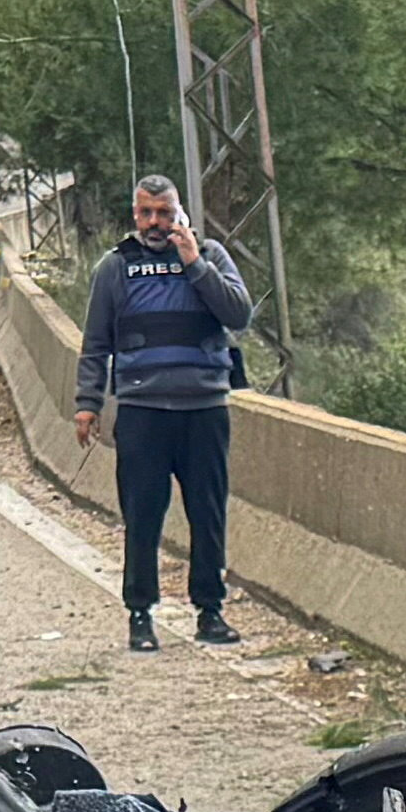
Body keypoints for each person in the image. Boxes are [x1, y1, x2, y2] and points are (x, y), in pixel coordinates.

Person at [82, 169, 253, 652]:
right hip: (142, 412)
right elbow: (95, 344)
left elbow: (240, 314)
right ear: (135, 214)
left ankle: (210, 611)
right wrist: (87, 405)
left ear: (179, 213)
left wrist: (194, 262)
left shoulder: (210, 256)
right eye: (146, 213)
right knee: (142, 517)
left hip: (204, 409)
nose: (155, 222)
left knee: (208, 514)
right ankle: (140, 615)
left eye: (164, 213)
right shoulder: (115, 268)